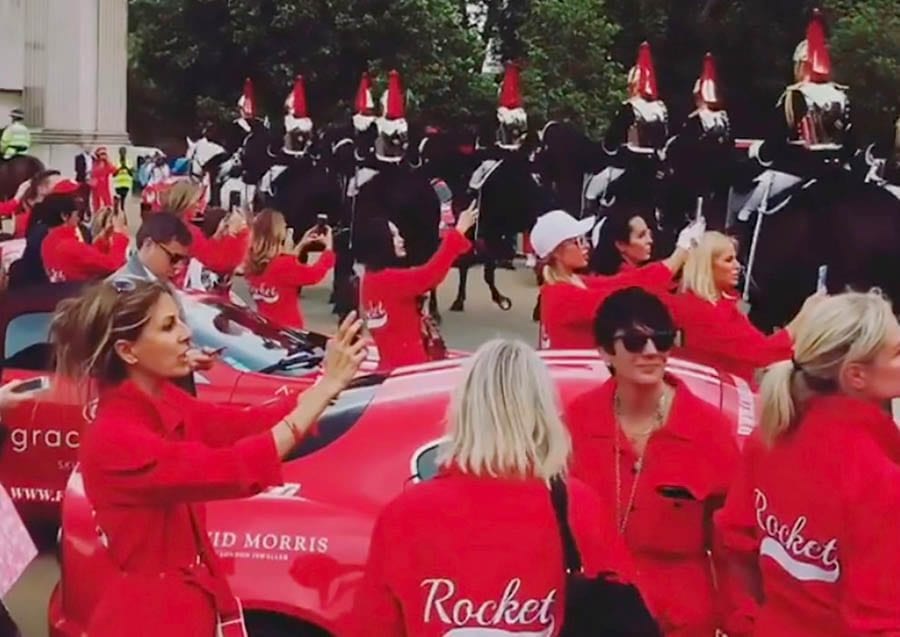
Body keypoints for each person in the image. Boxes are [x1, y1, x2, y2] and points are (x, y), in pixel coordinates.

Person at [49, 279, 366, 637]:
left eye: (180, 320)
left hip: (186, 604)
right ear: (128, 352)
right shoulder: (115, 437)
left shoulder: (162, 399)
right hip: (151, 619)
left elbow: (240, 425)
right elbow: (231, 469)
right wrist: (321, 392)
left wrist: (322, 391)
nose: (186, 334)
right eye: (169, 326)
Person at [352, 339, 649, 635]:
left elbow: (373, 626)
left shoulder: (405, 515)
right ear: (544, 414)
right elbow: (624, 612)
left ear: (463, 411)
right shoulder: (578, 505)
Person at [716, 290, 900, 636]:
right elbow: (881, 622)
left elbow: (736, 543)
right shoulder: (879, 479)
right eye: (897, 353)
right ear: (856, 375)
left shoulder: (770, 436)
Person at [566, 287, 741, 636]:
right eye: (633, 342)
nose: (650, 352)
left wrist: (738, 621)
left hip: (680, 618)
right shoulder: (576, 421)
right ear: (605, 352)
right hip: (597, 612)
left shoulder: (709, 429)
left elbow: (731, 544)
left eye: (662, 340)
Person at [533, 209, 704, 350]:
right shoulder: (559, 295)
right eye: (578, 241)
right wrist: (679, 253)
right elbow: (622, 294)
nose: (585, 246)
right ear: (556, 252)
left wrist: (678, 256)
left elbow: (624, 281)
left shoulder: (576, 281)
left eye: (585, 239)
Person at [668, 231, 819, 384]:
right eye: (728, 260)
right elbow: (762, 353)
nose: (738, 266)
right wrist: (804, 316)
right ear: (707, 266)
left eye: (736, 259)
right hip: (718, 394)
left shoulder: (717, 305)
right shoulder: (706, 313)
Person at [357, 203, 477, 369]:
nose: (401, 240)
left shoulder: (372, 279)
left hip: (392, 364)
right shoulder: (388, 280)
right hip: (407, 369)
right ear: (381, 242)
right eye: (394, 236)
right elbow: (430, 274)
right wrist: (458, 232)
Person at [749, 9, 854, 179]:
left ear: (800, 65)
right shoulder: (842, 96)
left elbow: (777, 141)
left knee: (754, 203)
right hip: (838, 169)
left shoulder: (794, 95)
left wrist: (758, 152)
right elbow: (850, 142)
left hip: (799, 170)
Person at [244, 209, 335, 329]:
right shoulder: (283, 265)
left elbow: (286, 269)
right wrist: (328, 250)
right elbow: (314, 274)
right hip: (289, 329)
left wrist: (302, 243)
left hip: (264, 326)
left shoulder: (252, 262)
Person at [41, 192, 128, 283]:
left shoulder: (47, 242)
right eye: (76, 214)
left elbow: (86, 260)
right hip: (79, 293)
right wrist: (119, 234)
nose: (78, 218)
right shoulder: (69, 246)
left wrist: (103, 238)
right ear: (65, 216)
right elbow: (111, 264)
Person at [112, 211, 192, 286]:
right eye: (174, 258)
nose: (178, 267)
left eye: (183, 260)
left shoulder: (157, 281)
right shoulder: (124, 288)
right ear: (148, 244)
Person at [588, 206, 659, 275]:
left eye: (649, 234)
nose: (650, 240)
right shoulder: (628, 279)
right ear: (620, 245)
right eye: (641, 236)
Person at [90, 147, 116, 212]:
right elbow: (91, 174)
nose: (103, 156)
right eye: (102, 154)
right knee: (96, 206)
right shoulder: (94, 163)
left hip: (104, 188)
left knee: (108, 205)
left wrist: (107, 160)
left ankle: (108, 217)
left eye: (104, 154)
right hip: (95, 188)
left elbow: (114, 171)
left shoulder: (107, 164)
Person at [113, 146, 134, 214]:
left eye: (124, 152)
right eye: (121, 152)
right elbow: (114, 174)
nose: (122, 153)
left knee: (123, 198)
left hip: (126, 184)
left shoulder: (128, 161)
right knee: (119, 197)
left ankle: (122, 210)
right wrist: (119, 169)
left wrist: (126, 168)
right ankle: (117, 209)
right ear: (119, 153)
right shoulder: (116, 161)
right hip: (118, 184)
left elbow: (131, 173)